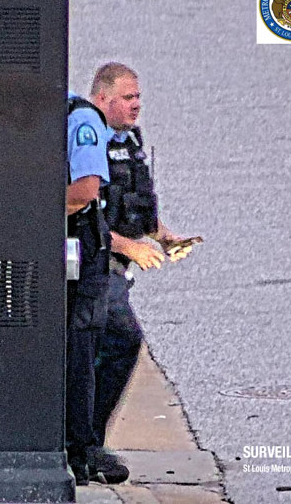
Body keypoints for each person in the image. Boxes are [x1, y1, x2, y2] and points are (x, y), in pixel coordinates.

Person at [88, 62, 201, 484]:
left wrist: (162, 236)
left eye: (138, 97)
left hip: (120, 260)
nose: (137, 105)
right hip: (95, 262)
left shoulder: (130, 140)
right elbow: (85, 214)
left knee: (108, 345)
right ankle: (84, 443)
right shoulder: (88, 140)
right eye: (128, 98)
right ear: (103, 99)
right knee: (121, 337)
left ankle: (86, 441)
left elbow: (131, 202)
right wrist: (129, 246)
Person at [65, 90, 112, 485]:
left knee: (79, 348)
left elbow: (84, 191)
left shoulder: (79, 119)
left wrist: (25, 215)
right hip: (58, 251)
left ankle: (81, 452)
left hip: (80, 251)